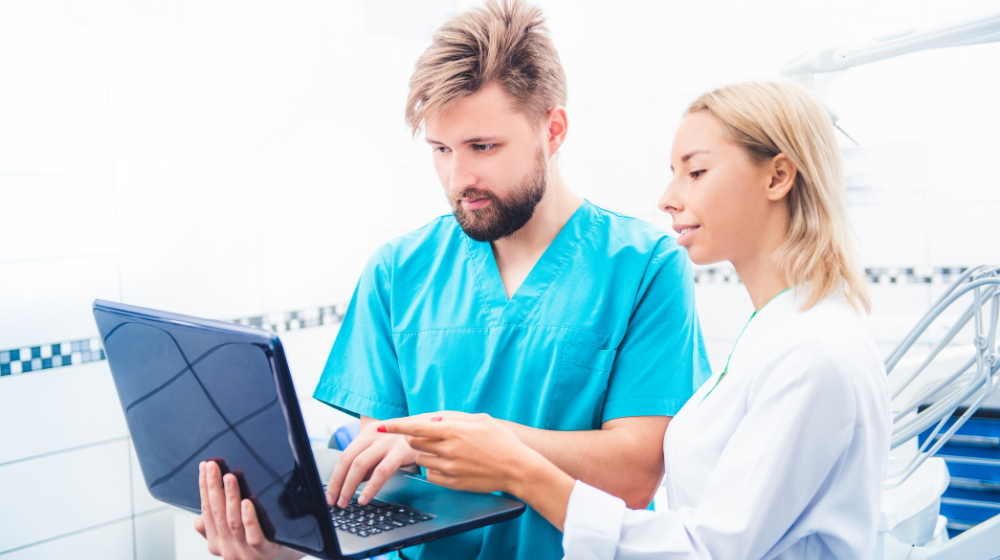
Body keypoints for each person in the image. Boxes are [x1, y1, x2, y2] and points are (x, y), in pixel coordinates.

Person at [194, 1, 711, 559]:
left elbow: (635, 473)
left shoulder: (643, 266)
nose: (459, 177)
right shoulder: (398, 271)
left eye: (483, 147)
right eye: (441, 149)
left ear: (552, 129)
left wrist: (487, 441)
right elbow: (386, 476)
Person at [380, 81, 893, 560]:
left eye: (695, 172)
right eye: (441, 149)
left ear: (778, 177)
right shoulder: (773, 332)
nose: (668, 198)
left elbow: (705, 550)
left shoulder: (813, 355)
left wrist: (518, 466)